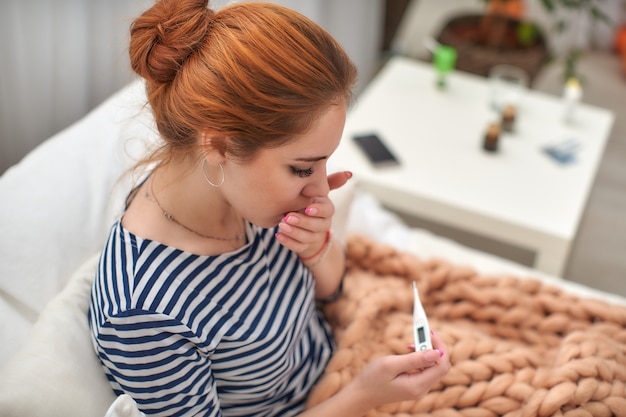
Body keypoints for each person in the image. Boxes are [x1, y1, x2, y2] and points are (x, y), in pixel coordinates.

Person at [88, 1, 451, 416]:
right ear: (219, 145)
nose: (320, 190)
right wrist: (363, 397)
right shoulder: (144, 316)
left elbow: (332, 293)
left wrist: (317, 250)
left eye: (324, 162)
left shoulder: (242, 196)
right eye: (301, 168)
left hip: (349, 362)